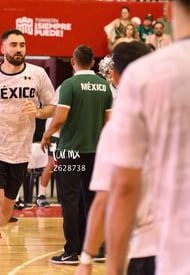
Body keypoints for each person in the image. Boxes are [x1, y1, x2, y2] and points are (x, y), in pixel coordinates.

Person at [105, 1, 190, 274]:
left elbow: (124, 187)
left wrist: (111, 266)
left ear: (166, 11)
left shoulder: (143, 75)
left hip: (167, 251)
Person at [0, 29, 56, 275]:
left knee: (5, 215)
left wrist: (38, 112)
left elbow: (52, 107)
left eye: (23, 45)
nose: (19, 49)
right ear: (2, 48)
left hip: (19, 152)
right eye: (14, 44)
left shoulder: (37, 74)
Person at [74, 41, 152, 275]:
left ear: (115, 77)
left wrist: (87, 259)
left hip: (152, 248)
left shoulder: (122, 127)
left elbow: (109, 200)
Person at [41, 45, 112, 265]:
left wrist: (47, 134)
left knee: (70, 200)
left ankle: (71, 251)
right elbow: (108, 122)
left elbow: (61, 116)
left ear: (73, 61)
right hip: (95, 151)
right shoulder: (104, 86)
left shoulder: (69, 85)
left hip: (70, 152)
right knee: (91, 199)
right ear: (92, 63)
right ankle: (97, 248)